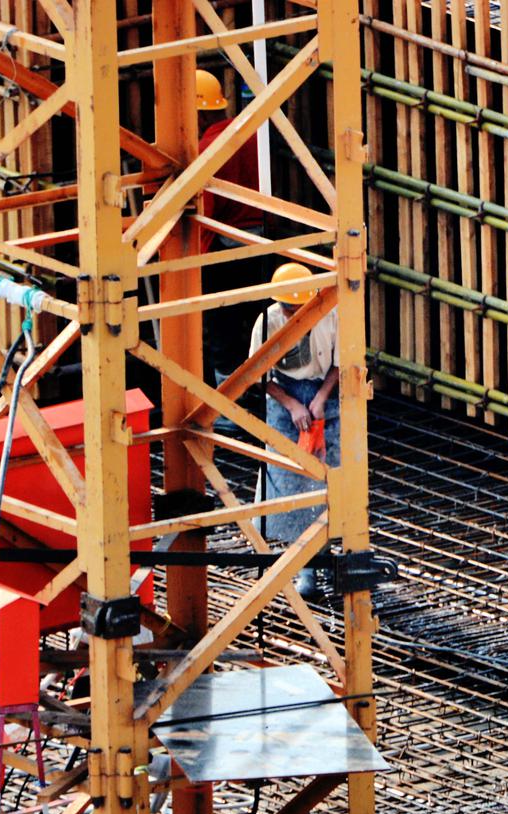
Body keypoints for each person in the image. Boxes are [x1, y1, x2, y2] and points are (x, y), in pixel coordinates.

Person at [249, 263, 340, 597]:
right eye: (288, 308)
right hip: (285, 396)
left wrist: (321, 399)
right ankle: (304, 566)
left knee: (329, 478)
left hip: (324, 395)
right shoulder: (267, 322)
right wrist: (291, 405)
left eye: (297, 309)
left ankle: (325, 552)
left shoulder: (331, 314)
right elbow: (257, 374)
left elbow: (342, 363)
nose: (292, 314)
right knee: (290, 482)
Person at [196, 68, 267, 400]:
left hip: (224, 247)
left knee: (222, 328)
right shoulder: (250, 134)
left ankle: (229, 403)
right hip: (261, 240)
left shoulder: (207, 149)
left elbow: (204, 210)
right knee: (256, 322)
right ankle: (262, 391)